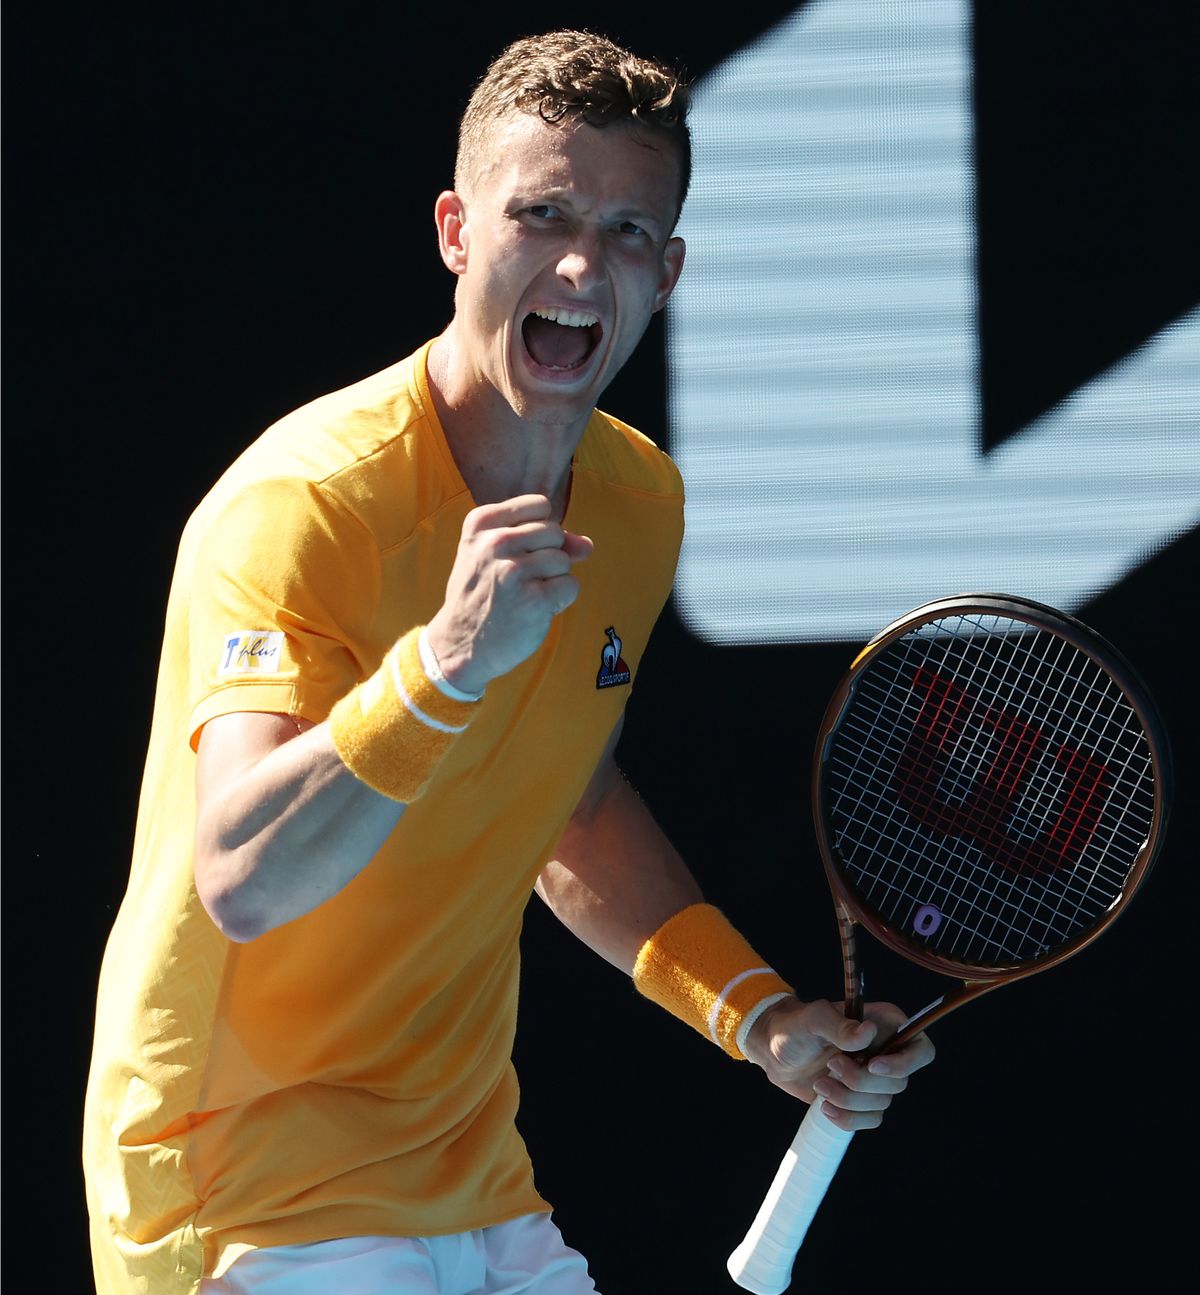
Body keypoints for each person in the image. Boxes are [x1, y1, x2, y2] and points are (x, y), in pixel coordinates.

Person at [83, 29, 934, 1295]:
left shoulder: (639, 502)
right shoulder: (302, 505)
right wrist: (445, 665)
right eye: (542, 214)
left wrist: (758, 1016)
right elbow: (243, 878)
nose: (583, 264)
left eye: (628, 231)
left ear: (669, 272)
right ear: (456, 231)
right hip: (245, 1190)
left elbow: (569, 808)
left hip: (475, 1176)